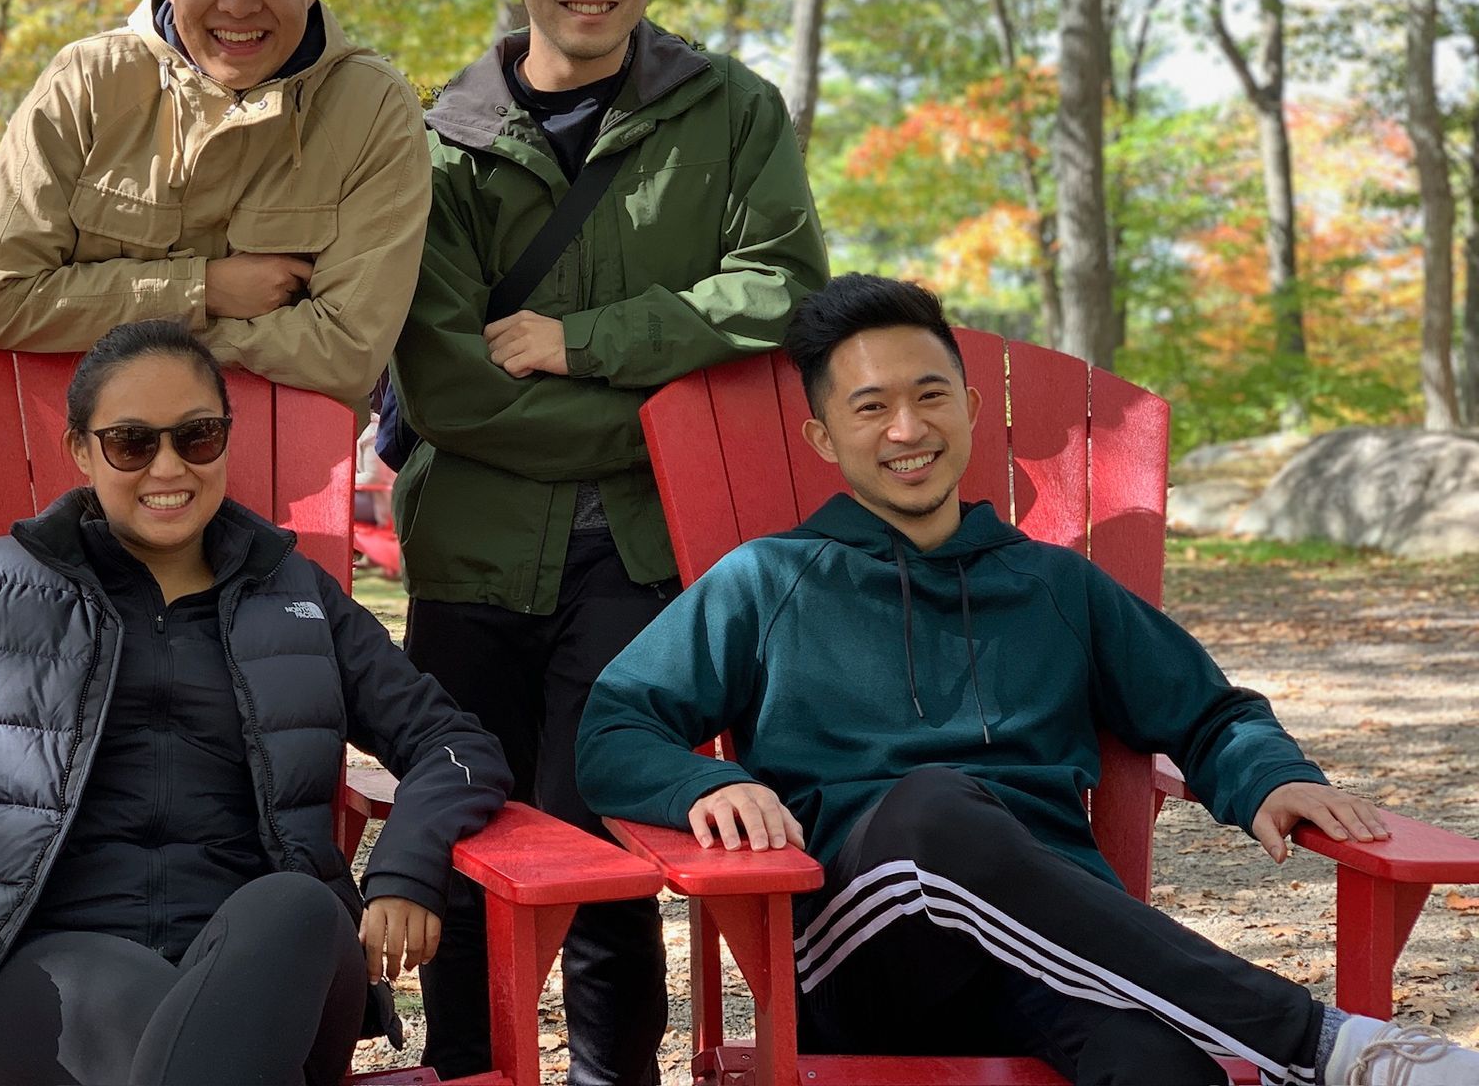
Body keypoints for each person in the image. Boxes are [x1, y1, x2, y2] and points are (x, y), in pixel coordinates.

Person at [577, 274, 1479, 1086]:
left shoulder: (1057, 587)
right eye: (871, 408)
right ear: (823, 436)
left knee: (1156, 1064)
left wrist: (1272, 776)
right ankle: (1319, 1044)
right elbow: (614, 726)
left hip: (1057, 948)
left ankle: (1311, 1051)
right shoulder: (767, 582)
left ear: (969, 408)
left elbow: (1209, 714)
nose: (907, 429)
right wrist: (710, 780)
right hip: (872, 949)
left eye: (929, 397)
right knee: (934, 810)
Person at [389, 0, 828, 1085]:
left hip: (646, 546)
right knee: (467, 817)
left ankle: (612, 1078)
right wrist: (665, 408)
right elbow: (453, 387)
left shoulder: (729, 111)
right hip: (472, 548)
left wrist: (589, 342)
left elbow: (781, 289)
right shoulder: (443, 140)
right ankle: (474, 1067)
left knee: (612, 832)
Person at [0, 320, 509, 1085]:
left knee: (299, 909)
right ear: (82, 451)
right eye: (132, 443)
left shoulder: (296, 593)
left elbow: (453, 745)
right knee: (161, 1015)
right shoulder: (3, 591)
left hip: (270, 969)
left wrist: (407, 867)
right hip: (46, 971)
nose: (168, 467)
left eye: (197, 436)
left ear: (226, 439)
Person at [0, 0, 429, 422]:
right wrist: (203, 289)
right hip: (89, 454)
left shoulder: (373, 107)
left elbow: (348, 350)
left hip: (291, 460)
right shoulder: (85, 82)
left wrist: (109, 333)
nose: (238, 3)